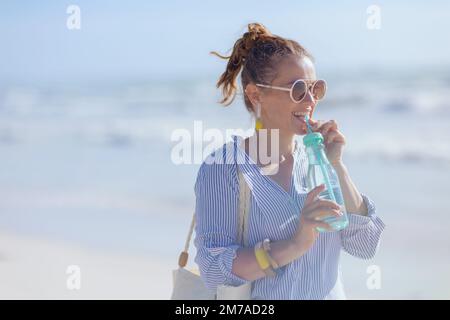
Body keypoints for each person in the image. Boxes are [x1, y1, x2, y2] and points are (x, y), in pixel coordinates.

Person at [193, 22, 385, 299]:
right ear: (256, 94)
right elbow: (213, 270)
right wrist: (295, 244)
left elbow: (365, 246)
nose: (310, 100)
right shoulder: (224, 168)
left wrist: (337, 166)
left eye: (315, 88)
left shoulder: (319, 160)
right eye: (297, 89)